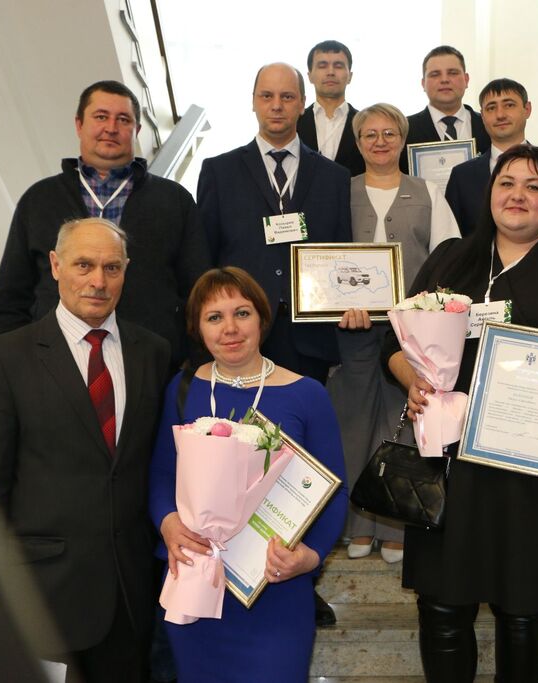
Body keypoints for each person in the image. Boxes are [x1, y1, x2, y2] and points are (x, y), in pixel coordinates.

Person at [384, 145, 538, 682]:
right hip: (453, 458)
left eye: (534, 186)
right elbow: (396, 344)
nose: (518, 195)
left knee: (522, 605)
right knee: (442, 602)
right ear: (489, 194)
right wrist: (413, 380)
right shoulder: (451, 259)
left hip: (535, 463)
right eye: (507, 183)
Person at [0, 218, 171, 682]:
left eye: (112, 268)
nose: (99, 281)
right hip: (41, 601)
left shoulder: (155, 354)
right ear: (55, 266)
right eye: (84, 265)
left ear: (126, 272)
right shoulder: (4, 358)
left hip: (131, 600)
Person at [149, 267, 348, 682]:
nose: (230, 328)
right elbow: (162, 475)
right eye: (214, 317)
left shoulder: (307, 394)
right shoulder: (181, 388)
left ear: (262, 318)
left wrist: (309, 557)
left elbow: (335, 492)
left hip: (276, 588)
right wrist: (168, 523)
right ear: (198, 329)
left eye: (242, 313)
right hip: (198, 585)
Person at [0, 79, 209, 371]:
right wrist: (12, 369)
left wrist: (194, 368)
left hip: (153, 369)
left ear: (137, 131)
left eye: (123, 120)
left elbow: (200, 293)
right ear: (79, 125)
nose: (111, 128)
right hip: (53, 367)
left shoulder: (174, 200)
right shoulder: (39, 199)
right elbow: (10, 299)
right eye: (101, 117)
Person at [328, 103, 460, 564]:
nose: (380, 141)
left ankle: (397, 525)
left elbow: (447, 256)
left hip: (414, 334)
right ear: (357, 142)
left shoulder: (428, 193)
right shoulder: (338, 192)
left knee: (404, 420)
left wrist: (430, 309)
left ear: (403, 140)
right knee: (352, 422)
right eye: (370, 134)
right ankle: (357, 525)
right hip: (351, 329)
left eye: (389, 133)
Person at [198, 62, 351, 386]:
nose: (277, 105)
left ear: (302, 103)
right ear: (253, 102)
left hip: (310, 338)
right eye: (267, 96)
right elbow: (206, 258)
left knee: (302, 419)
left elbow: (342, 251)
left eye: (287, 96)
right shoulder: (219, 172)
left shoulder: (334, 177)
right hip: (240, 334)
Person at [445, 78, 538, 238]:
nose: (500, 115)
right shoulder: (462, 175)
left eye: (509, 105)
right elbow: (453, 240)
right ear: (482, 116)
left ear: (527, 109)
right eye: (491, 108)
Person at [399, 45, 491, 172]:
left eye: (452, 73)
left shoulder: (489, 125)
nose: (444, 80)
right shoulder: (403, 129)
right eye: (435, 74)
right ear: (423, 84)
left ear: (466, 79)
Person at [297, 40, 365, 176]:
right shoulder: (294, 123)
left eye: (338, 66)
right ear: (310, 76)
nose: (330, 72)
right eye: (322, 66)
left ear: (350, 76)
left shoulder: (365, 124)